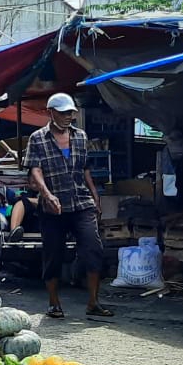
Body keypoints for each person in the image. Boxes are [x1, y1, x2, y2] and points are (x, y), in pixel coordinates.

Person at [24, 92, 108, 319]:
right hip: (53, 205)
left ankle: (93, 301)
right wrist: (47, 194)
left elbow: (86, 169)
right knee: (53, 254)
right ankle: (53, 302)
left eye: (70, 112)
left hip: (81, 202)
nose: (68, 117)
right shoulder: (37, 138)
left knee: (93, 248)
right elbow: (35, 170)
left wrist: (95, 196)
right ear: (51, 113)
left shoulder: (80, 136)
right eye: (63, 113)